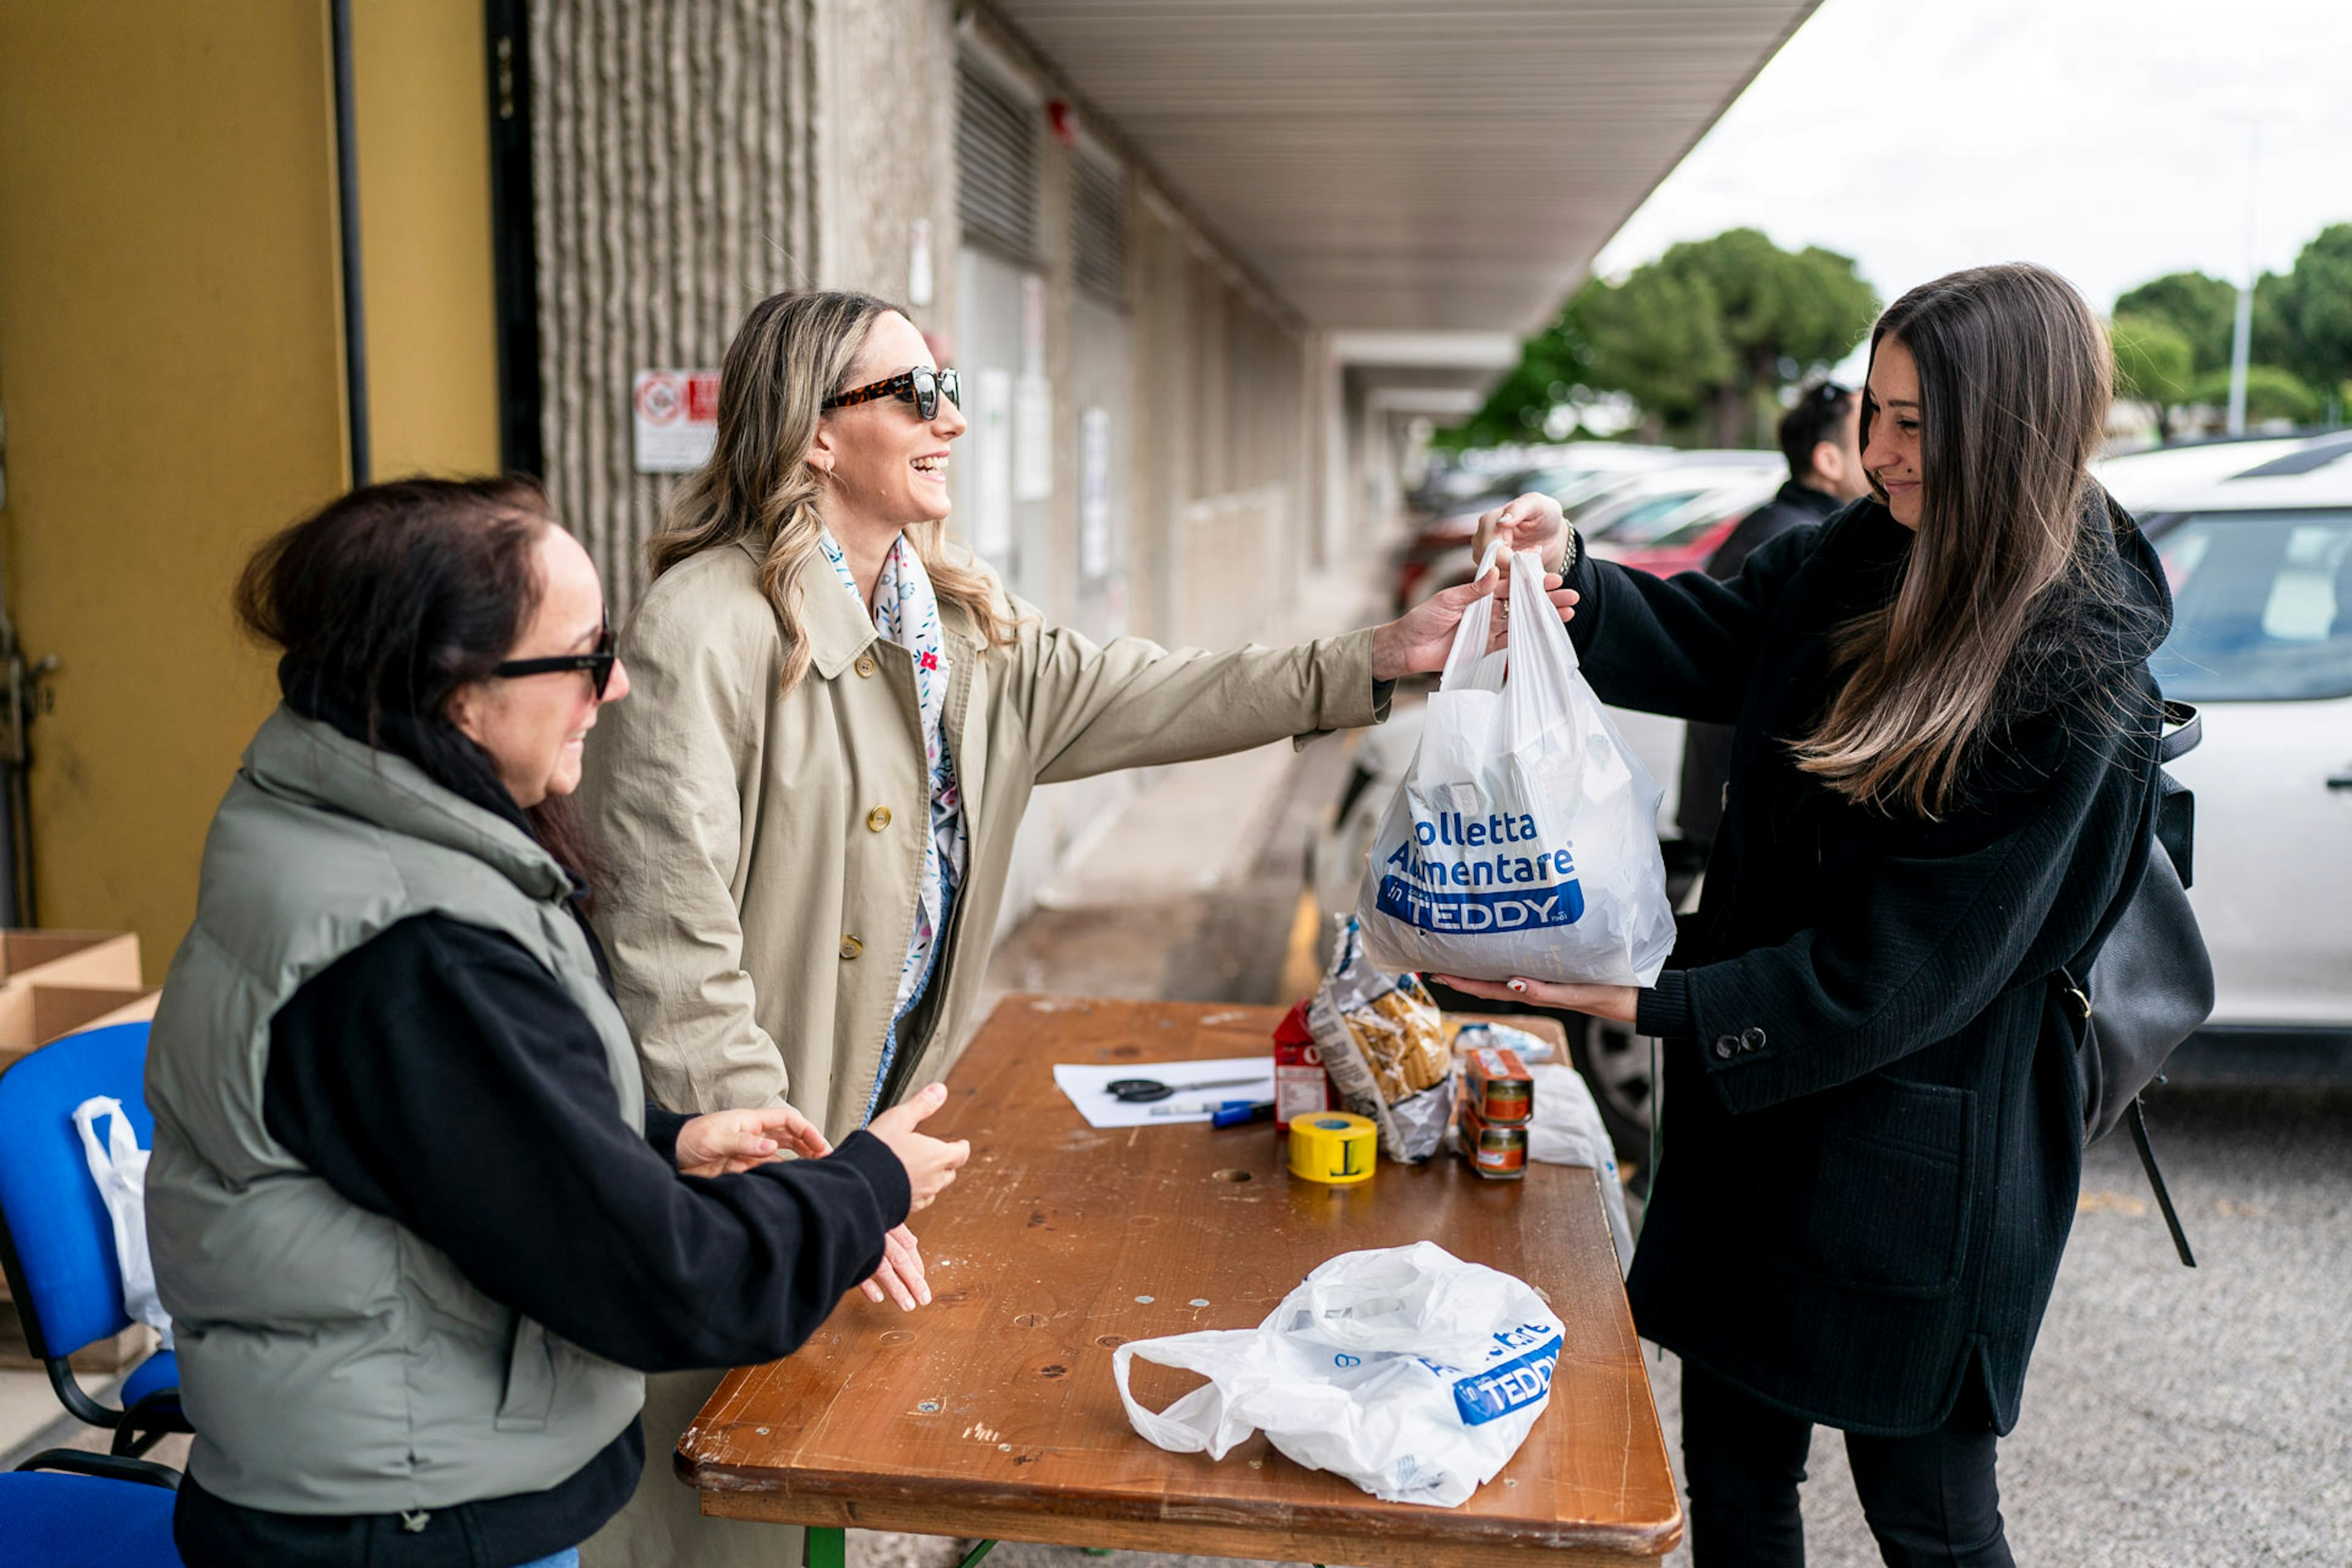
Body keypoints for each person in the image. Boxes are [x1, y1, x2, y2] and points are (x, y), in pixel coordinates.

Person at [575, 290, 1525, 1565]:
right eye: (911, 394)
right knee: (709, 1498)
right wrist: (807, 1182)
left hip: (852, 1152)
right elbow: (668, 945)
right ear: (811, 432)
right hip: (735, 1171)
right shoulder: (704, 626)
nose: (950, 419)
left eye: (947, 386)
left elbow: (1161, 688)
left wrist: (1382, 657)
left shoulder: (957, 630)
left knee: (810, 1468)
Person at [1447, 265, 2172, 1566]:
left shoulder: (2077, 685)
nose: (1873, 452)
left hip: (1921, 1164)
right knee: (1734, 1484)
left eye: (1910, 425)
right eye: (1872, 412)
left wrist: (1650, 997)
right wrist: (1578, 582)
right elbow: (1728, 636)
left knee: (1933, 1520)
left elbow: (1901, 975)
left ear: (2004, 438)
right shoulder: (1862, 547)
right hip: (1760, 1131)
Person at [143, 478, 970, 1568]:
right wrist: (868, 1187)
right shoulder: (412, 947)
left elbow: (440, 1140)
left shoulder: (337, 816)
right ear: (455, 692)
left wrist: (657, 1139)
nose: (616, 686)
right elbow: (659, 1283)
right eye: (582, 658)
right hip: (404, 1525)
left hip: (384, 1479)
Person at [1676, 380, 1870, 851]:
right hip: (1747, 813)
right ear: (1829, 460)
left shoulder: (1771, 522)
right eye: (1870, 427)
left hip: (1725, 800)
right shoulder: (1806, 545)